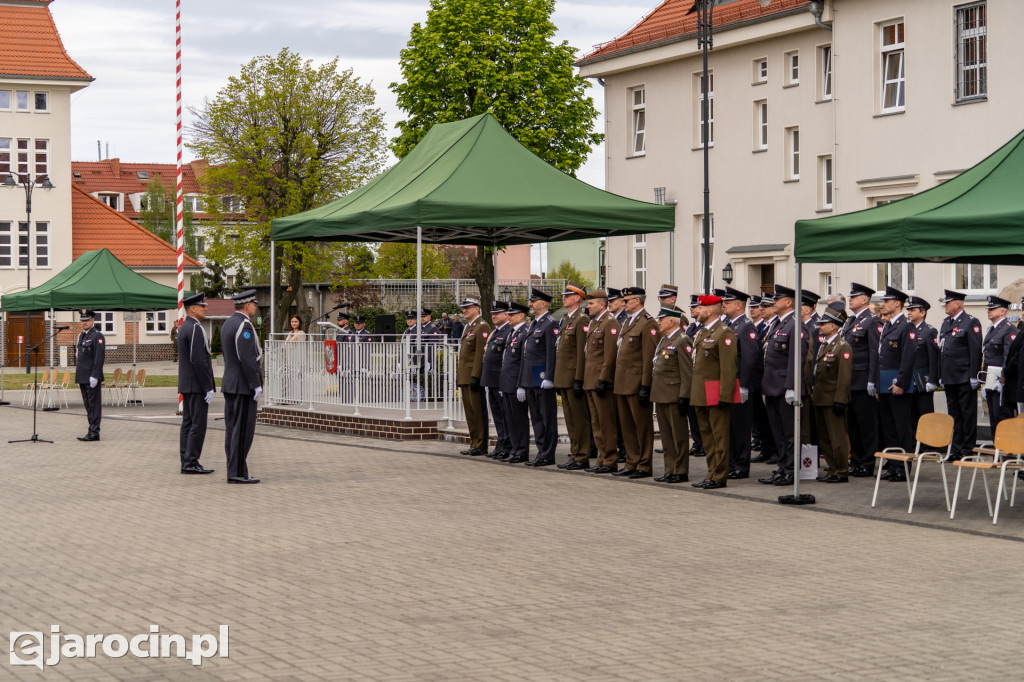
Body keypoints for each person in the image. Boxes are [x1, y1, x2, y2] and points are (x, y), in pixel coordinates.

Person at [759, 285, 809, 487]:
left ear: (788, 302)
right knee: (778, 432)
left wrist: (792, 386)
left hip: (785, 388)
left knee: (790, 433)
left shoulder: (795, 325)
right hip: (772, 386)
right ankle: (782, 467)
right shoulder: (779, 324)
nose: (773, 302)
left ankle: (791, 470)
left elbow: (797, 359)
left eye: (777, 299)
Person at [689, 295, 738, 489]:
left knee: (719, 436)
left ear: (710, 311)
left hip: (715, 392)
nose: (697, 311)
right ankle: (711, 472)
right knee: (707, 436)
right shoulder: (702, 333)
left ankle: (719, 475)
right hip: (701, 392)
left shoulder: (724, 333)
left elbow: (728, 368)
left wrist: (726, 395)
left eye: (700, 308)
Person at [612, 286, 659, 479]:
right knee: (627, 427)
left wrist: (646, 385)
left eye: (627, 301)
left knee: (642, 427)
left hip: (637, 382)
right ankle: (632, 461)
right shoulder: (627, 322)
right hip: (622, 382)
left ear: (637, 301)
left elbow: (649, 357)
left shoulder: (648, 323)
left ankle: (644, 464)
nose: (624, 304)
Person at [221, 289, 263, 484]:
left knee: (232, 429)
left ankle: (235, 469)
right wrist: (256, 384)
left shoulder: (229, 323)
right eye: (254, 304)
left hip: (231, 384)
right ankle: (237, 472)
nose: (255, 307)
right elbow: (246, 358)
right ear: (247, 305)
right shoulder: (244, 326)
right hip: (243, 386)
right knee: (242, 430)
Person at [840, 282, 882, 477]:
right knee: (853, 425)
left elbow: (875, 353)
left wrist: (872, 380)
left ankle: (867, 462)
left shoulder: (872, 321)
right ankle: (856, 460)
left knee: (866, 425)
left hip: (863, 380)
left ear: (864, 299)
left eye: (853, 297)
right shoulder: (850, 321)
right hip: (850, 380)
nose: (850, 299)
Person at [875, 286, 916, 483]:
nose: (882, 305)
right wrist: (876, 384)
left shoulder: (905, 326)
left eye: (886, 301)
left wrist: (901, 382)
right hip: (884, 385)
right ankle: (892, 465)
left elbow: (908, 358)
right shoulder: (888, 326)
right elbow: (882, 358)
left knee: (902, 428)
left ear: (897, 303)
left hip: (898, 386)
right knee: (889, 428)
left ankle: (903, 467)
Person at [938, 289, 983, 461]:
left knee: (967, 414)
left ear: (958, 303)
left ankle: (967, 449)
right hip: (950, 376)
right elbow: (942, 349)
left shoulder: (970, 322)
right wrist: (941, 373)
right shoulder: (946, 323)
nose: (945, 305)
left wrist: (974, 375)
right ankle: (955, 449)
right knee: (954, 415)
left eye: (948, 302)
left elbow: (975, 350)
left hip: (964, 376)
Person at [652, 305, 693, 483]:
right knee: (666, 436)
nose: (658, 322)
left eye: (661, 319)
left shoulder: (682, 340)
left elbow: (687, 371)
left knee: (678, 435)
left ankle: (681, 470)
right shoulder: (664, 339)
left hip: (675, 394)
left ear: (671, 321)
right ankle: (670, 469)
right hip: (661, 393)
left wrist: (685, 396)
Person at [582, 290, 621, 474]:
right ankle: (602, 457)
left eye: (591, 304)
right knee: (596, 423)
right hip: (590, 379)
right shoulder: (594, 323)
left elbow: (610, 354)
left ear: (602, 304)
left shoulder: (610, 322)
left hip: (601, 381)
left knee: (606, 423)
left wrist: (604, 379)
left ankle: (610, 459)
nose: (588, 307)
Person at [811, 308, 852, 482]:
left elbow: (844, 377)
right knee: (825, 437)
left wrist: (840, 400)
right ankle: (833, 468)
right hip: (820, 398)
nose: (819, 326)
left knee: (837, 437)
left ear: (833, 326)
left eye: (823, 324)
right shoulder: (825, 345)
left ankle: (842, 470)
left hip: (833, 400)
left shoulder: (842, 346)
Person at [518, 288, 558, 466]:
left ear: (544, 304)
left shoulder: (550, 323)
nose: (530, 304)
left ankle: (548, 454)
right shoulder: (534, 324)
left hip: (542, 378)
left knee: (547, 417)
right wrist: (522, 382)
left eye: (533, 302)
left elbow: (551, 352)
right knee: (536, 417)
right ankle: (541, 451)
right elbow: (528, 353)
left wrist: (549, 376)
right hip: (531, 378)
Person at [555, 283, 593, 470]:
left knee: (579, 419)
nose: (564, 298)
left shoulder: (581, 320)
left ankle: (582, 455)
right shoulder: (567, 319)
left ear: (577, 298)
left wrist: (579, 379)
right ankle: (575, 452)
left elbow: (581, 352)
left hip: (573, 378)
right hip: (564, 377)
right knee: (570, 419)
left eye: (568, 295)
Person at [177, 292, 216, 474]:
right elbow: (199, 360)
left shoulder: (185, 326)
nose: (205, 308)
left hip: (188, 383)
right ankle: (191, 461)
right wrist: (208, 386)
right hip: (196, 385)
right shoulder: (195, 328)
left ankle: (186, 460)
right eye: (202, 306)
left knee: (188, 424)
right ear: (192, 309)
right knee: (197, 425)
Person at [723, 286, 758, 479]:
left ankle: (741, 465)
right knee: (729, 426)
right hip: (729, 383)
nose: (724, 305)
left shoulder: (746, 326)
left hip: (739, 383)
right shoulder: (728, 325)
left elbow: (749, 358)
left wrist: (744, 385)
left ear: (738, 305)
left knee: (740, 427)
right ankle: (731, 463)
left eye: (727, 303)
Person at [457, 298, 492, 456]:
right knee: (470, 412)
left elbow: (480, 354)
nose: (465, 310)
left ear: (477, 308)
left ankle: (481, 444)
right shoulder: (468, 327)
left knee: (478, 411)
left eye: (468, 308)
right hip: (465, 375)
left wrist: (476, 376)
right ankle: (474, 442)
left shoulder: (482, 326)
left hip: (473, 375)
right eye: (464, 308)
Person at [499, 302, 532, 463]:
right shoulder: (512, 333)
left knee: (519, 419)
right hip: (507, 383)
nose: (509, 317)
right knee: (510, 419)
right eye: (508, 315)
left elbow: (523, 362)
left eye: (512, 315)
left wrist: (521, 385)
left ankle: (522, 450)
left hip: (516, 383)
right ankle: (514, 448)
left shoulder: (524, 333)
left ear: (521, 316)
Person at [481, 301, 513, 459]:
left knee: (505, 415)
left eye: (497, 313)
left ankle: (507, 445)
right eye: (492, 314)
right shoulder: (495, 332)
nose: (493, 316)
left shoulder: (508, 331)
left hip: (501, 380)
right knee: (497, 416)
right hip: (492, 380)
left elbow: (505, 359)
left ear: (507, 315)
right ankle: (501, 443)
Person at [982, 295, 1015, 433]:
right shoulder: (993, 329)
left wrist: (1004, 378)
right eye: (989, 309)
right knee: (994, 418)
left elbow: (1009, 356)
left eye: (993, 309)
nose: (989, 311)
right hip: (990, 380)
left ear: (1003, 311)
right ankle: (997, 450)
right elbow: (987, 356)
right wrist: (984, 382)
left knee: (1002, 417)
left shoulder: (1009, 329)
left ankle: (1006, 452)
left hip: (1000, 381)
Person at [906, 296, 939, 432]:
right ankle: (914, 446)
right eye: (908, 310)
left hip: (922, 381)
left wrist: (932, 380)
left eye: (912, 310)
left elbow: (933, 357)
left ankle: (928, 448)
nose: (909, 313)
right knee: (911, 416)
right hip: (908, 382)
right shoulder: (906, 330)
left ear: (922, 313)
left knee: (925, 415)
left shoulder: (929, 331)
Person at [75, 310, 105, 442]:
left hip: (92, 377)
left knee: (94, 405)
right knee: (88, 405)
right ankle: (91, 429)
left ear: (92, 321)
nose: (84, 323)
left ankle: (94, 431)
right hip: (82, 376)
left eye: (86, 320)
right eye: (82, 321)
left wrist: (95, 376)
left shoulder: (97, 336)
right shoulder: (82, 336)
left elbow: (99, 358)